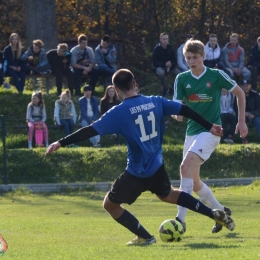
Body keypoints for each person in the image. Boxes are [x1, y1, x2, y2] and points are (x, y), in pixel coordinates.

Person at [46, 69, 235, 246]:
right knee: (169, 194)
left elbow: (89, 130)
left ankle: (145, 237)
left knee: (110, 205)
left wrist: (61, 142)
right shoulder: (156, 101)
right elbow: (184, 109)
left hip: (136, 171)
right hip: (157, 165)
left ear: (117, 90)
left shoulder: (119, 112)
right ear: (134, 83)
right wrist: (209, 125)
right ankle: (212, 212)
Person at [172, 39, 247, 234]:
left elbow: (240, 93)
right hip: (192, 132)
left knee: (184, 167)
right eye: (188, 58)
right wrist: (176, 114)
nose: (191, 61)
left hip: (211, 131)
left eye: (195, 57)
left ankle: (180, 221)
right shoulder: (181, 78)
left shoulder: (215, 75)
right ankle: (221, 212)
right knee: (194, 182)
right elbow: (176, 105)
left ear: (203, 57)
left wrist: (241, 121)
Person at [152, 32, 180, 96]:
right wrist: (164, 64)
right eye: (164, 39)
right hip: (160, 67)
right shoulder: (156, 49)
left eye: (166, 39)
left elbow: (174, 60)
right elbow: (154, 62)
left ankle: (172, 89)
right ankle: (165, 88)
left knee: (179, 74)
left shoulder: (171, 48)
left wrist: (171, 64)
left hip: (170, 67)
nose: (165, 40)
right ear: (160, 40)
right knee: (160, 73)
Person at [234, 80, 260, 144]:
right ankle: (244, 139)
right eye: (244, 86)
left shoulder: (255, 95)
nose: (245, 87)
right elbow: (235, 107)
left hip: (254, 115)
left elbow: (259, 107)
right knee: (242, 123)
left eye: (247, 86)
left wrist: (254, 114)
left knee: (258, 122)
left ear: (250, 86)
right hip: (243, 115)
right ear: (241, 87)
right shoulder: (238, 95)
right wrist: (243, 114)